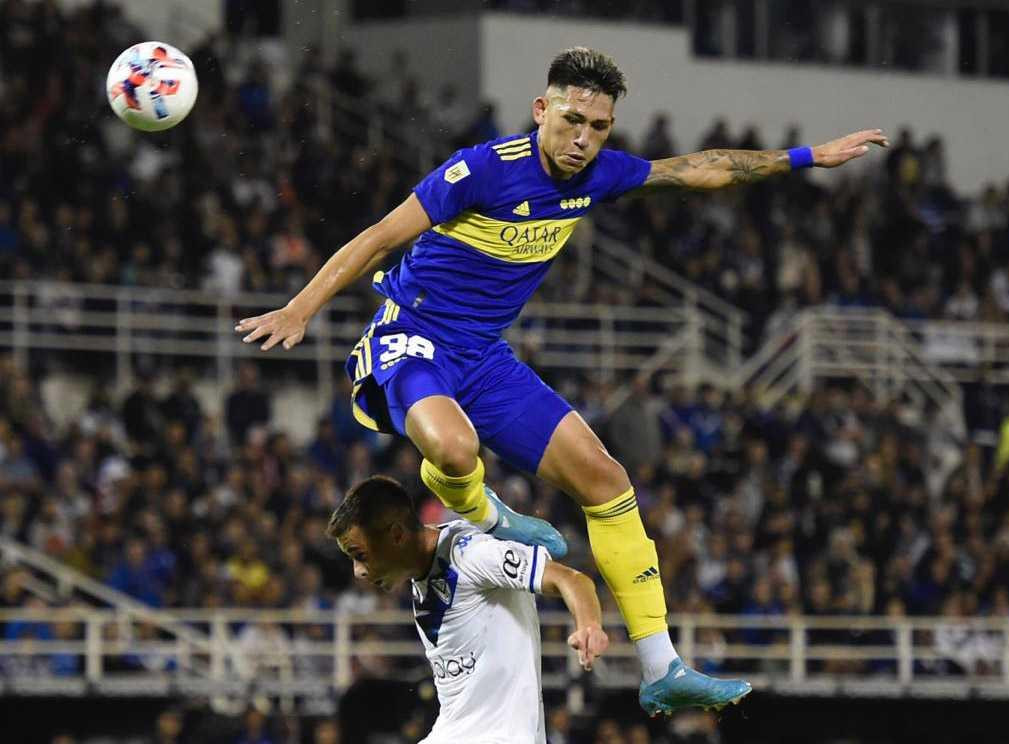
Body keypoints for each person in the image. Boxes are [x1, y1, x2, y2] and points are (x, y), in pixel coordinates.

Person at [236, 46, 887, 714]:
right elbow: (378, 237)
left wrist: (808, 158)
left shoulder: (599, 174)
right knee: (455, 451)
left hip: (484, 356)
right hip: (413, 338)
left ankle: (662, 666)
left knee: (607, 480)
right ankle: (486, 512)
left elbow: (699, 168)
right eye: (571, 120)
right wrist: (300, 307)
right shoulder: (484, 170)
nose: (583, 139)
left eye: (599, 127)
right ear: (541, 111)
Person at [325, 475, 609, 744]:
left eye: (360, 556)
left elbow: (571, 579)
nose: (358, 572)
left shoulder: (471, 554)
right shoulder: (422, 575)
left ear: (397, 535)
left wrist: (589, 625)